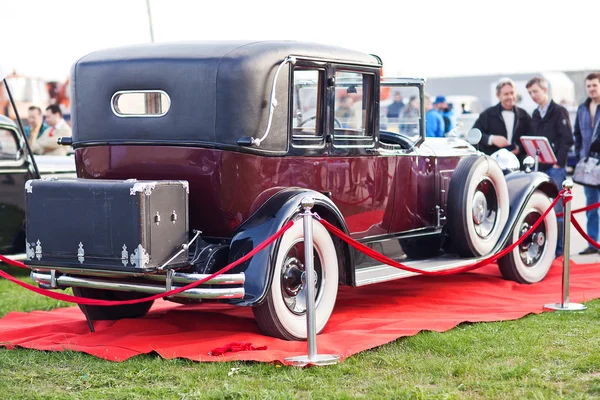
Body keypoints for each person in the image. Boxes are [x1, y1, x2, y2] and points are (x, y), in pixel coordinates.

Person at [526, 76, 574, 257]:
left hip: (555, 167)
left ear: (545, 90)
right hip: (540, 166)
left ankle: (559, 250)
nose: (533, 95)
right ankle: (546, 247)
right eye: (530, 93)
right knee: (542, 209)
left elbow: (567, 138)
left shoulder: (559, 111)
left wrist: (559, 162)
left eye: (535, 91)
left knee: (557, 210)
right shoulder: (536, 114)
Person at [573, 72, 600, 255]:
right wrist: (579, 154)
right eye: (589, 86)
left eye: (595, 85)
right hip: (588, 166)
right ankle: (593, 243)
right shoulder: (582, 108)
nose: (591, 89)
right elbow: (577, 133)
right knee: (590, 205)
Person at [473, 78, 531, 161]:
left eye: (512, 93)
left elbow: (531, 137)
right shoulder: (487, 114)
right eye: (506, 94)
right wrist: (492, 139)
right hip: (493, 164)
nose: (510, 97)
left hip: (518, 163)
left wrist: (519, 148)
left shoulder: (524, 115)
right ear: (498, 95)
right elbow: (474, 134)